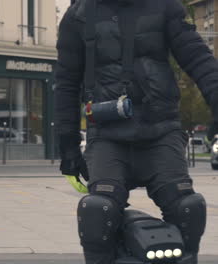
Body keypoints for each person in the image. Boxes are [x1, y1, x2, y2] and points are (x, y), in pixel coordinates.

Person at [55, 0, 218, 263]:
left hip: (160, 130)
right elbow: (66, 83)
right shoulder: (79, 15)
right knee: (98, 211)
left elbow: (198, 58)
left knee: (188, 209)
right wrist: (68, 146)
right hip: (108, 136)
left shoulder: (165, 6)